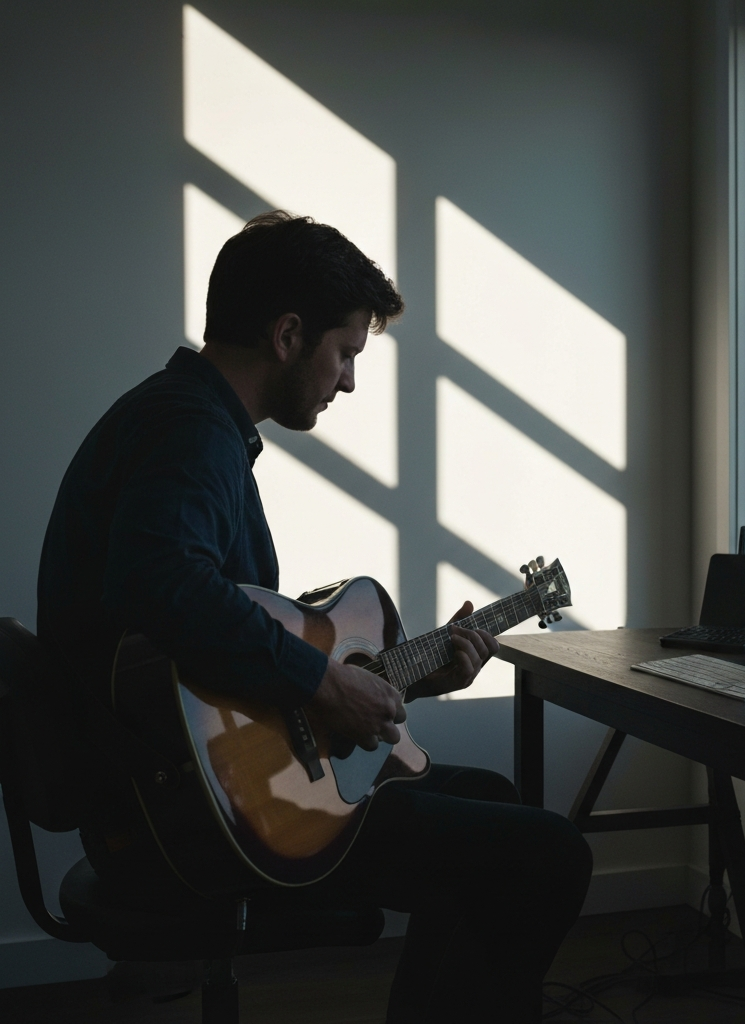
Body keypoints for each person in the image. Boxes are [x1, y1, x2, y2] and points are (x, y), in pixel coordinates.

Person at [37, 211, 592, 1023]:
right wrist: (322, 684)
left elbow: (220, 657)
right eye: (346, 353)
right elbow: (163, 582)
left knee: (498, 801)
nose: (350, 381)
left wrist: (403, 683)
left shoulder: (190, 425)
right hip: (178, 819)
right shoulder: (188, 430)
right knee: (548, 856)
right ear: (289, 334)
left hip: (187, 788)